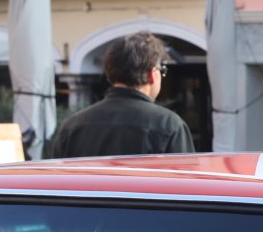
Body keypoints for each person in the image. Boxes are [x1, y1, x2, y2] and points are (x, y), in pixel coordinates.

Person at [47, 32, 194, 158]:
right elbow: (186, 180)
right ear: (152, 75)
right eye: (162, 71)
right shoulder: (168, 125)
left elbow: (56, 179)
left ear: (110, 74)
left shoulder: (72, 126)